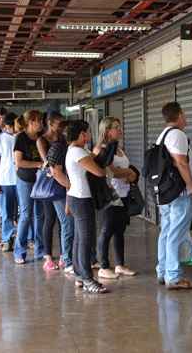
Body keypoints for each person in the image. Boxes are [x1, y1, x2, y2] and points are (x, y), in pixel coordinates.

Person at [155, 102, 192, 291]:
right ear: (178, 115)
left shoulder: (162, 135)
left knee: (167, 232)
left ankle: (163, 271)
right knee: (175, 234)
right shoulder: (177, 135)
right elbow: (181, 164)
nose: (186, 118)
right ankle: (174, 277)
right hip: (179, 194)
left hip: (166, 193)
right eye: (184, 114)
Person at [65, 120, 109, 294]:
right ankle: (87, 278)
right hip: (82, 199)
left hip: (78, 197)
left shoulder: (76, 150)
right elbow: (99, 171)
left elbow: (94, 156)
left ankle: (79, 275)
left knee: (79, 238)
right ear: (82, 135)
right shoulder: (77, 152)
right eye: (88, 133)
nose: (90, 136)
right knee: (85, 240)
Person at [96, 117, 138, 280]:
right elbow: (111, 171)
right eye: (116, 127)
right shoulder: (102, 149)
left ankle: (120, 264)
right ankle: (104, 266)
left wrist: (131, 173)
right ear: (107, 131)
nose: (120, 130)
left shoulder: (118, 149)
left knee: (120, 229)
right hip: (110, 195)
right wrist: (129, 173)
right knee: (107, 230)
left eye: (120, 127)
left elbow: (126, 168)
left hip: (124, 193)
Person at [36, 112, 74, 272]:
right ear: (50, 123)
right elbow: (48, 164)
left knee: (62, 221)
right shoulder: (43, 140)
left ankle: (65, 256)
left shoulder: (61, 141)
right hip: (50, 185)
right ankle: (49, 256)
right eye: (59, 123)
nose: (62, 126)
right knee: (50, 219)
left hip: (61, 181)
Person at [13, 110, 45, 265]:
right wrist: (38, 164)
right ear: (31, 122)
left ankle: (40, 250)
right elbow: (19, 163)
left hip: (40, 181)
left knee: (39, 216)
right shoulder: (21, 138)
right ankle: (20, 251)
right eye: (39, 121)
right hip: (25, 180)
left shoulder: (41, 137)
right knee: (26, 215)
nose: (41, 124)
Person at [0, 112, 18, 253]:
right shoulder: (0, 138)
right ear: (8, 125)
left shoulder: (20, 137)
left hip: (20, 180)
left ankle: (25, 238)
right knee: (7, 213)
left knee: (24, 212)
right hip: (6, 180)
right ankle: (7, 239)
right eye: (15, 124)